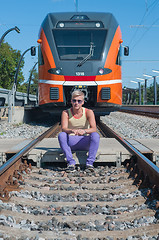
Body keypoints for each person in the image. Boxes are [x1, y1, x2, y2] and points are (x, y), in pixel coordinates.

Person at [58, 90, 100, 172]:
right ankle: (71, 163)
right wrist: (72, 130)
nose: (76, 103)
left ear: (83, 102)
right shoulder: (66, 112)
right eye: (74, 100)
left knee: (95, 135)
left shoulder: (88, 112)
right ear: (71, 101)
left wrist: (84, 131)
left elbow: (94, 128)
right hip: (71, 142)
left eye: (79, 101)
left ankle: (90, 163)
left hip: (84, 141)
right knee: (61, 135)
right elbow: (64, 128)